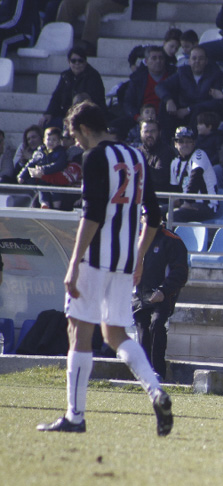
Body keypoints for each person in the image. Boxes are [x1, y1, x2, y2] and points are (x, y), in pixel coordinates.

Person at [37, 101, 173, 436]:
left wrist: (73, 263)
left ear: (84, 129)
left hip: (95, 259)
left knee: (78, 332)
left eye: (74, 135)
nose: (76, 143)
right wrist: (139, 257)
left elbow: (93, 215)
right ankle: (156, 391)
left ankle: (75, 416)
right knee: (116, 335)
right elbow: (154, 217)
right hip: (125, 262)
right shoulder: (137, 157)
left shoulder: (94, 157)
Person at [133, 220, 189, 381]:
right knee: (142, 330)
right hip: (138, 294)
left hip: (163, 295)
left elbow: (181, 272)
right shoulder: (134, 238)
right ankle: (144, 372)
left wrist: (164, 290)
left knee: (157, 325)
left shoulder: (172, 240)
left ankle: (158, 372)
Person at [156, 46, 223, 133]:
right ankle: (165, 141)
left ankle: (191, 141)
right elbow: (160, 86)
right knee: (164, 105)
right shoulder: (182, 73)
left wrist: (189, 109)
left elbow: (217, 101)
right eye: (194, 58)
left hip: (202, 113)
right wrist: (169, 100)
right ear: (189, 61)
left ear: (206, 61)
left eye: (201, 58)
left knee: (200, 110)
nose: (197, 61)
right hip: (182, 111)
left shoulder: (215, 75)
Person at [41, 48, 106, 129]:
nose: (77, 64)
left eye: (80, 61)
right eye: (73, 61)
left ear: (85, 62)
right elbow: (56, 97)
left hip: (85, 117)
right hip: (66, 115)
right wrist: (49, 113)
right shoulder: (65, 76)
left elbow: (94, 102)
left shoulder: (93, 77)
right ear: (69, 61)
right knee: (46, 123)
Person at [169, 127, 218, 223]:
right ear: (175, 144)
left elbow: (196, 176)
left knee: (175, 215)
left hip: (206, 205)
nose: (185, 145)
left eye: (188, 141)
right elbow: (174, 189)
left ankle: (176, 238)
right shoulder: (174, 163)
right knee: (156, 211)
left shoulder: (199, 154)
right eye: (181, 142)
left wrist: (187, 202)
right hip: (185, 204)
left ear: (193, 143)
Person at [123, 46, 175, 131]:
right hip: (142, 116)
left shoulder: (173, 76)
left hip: (167, 117)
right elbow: (128, 103)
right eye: (154, 58)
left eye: (161, 58)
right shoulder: (137, 79)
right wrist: (138, 117)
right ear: (146, 61)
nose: (158, 61)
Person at [56, 0, 128, 55]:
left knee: (93, 6)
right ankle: (58, 40)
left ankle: (90, 45)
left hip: (116, 2)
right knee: (67, 3)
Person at [137, 119, 176, 194]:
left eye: (153, 131)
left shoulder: (166, 151)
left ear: (159, 132)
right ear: (141, 133)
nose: (149, 135)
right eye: (146, 131)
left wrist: (140, 165)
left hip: (160, 199)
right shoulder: (136, 152)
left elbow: (160, 177)